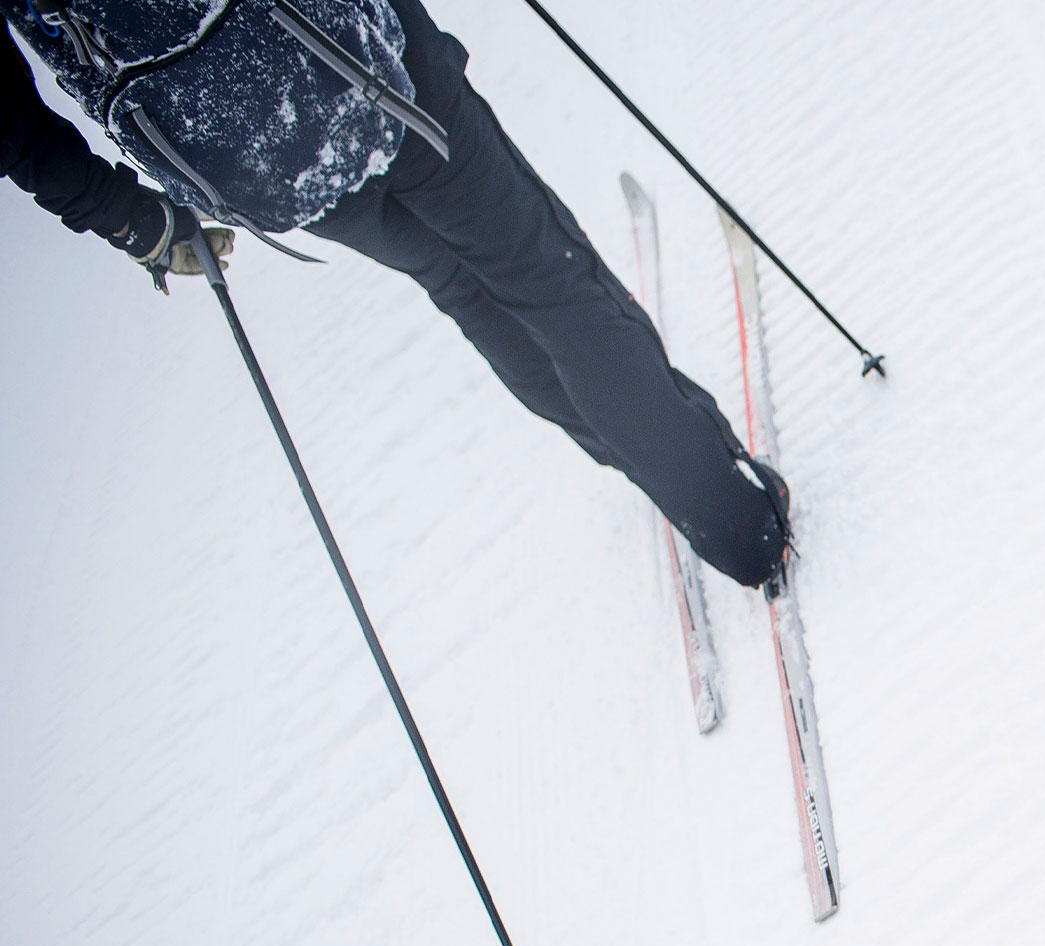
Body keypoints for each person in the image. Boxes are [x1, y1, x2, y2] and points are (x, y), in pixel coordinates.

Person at [3, 0, 791, 589]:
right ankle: (731, 519)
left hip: (239, 154)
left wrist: (133, 220)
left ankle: (659, 463)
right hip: (354, 59)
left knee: (462, 284)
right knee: (540, 278)